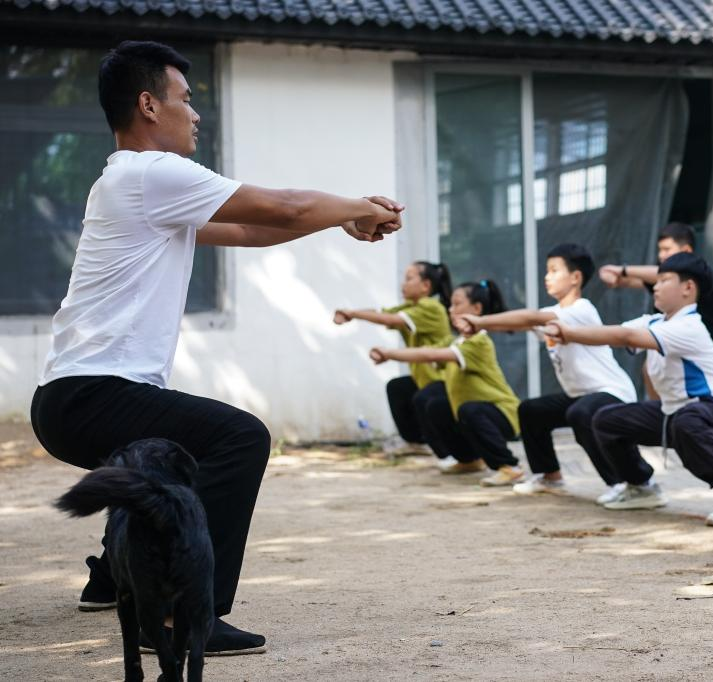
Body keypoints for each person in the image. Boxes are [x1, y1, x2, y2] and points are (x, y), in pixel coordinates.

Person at [29, 41, 403, 653]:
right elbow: (283, 206)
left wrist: (338, 219)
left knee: (159, 460)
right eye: (186, 100)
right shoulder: (152, 172)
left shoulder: (130, 183)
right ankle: (181, 617)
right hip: (91, 395)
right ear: (149, 105)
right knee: (238, 436)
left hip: (72, 398)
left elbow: (258, 228)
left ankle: (112, 580)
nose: (195, 114)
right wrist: (363, 206)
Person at [548, 252, 713, 527]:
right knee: (604, 419)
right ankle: (641, 487)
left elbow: (623, 336)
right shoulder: (654, 322)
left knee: (688, 421)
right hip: (672, 412)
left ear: (688, 288)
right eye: (656, 280)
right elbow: (609, 332)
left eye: (664, 280)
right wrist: (565, 329)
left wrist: (568, 333)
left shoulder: (689, 326)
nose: (656, 286)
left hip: (712, 411)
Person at [455, 243, 636, 500]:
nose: (546, 276)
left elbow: (532, 319)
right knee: (532, 410)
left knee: (580, 413)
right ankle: (550, 476)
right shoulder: (555, 314)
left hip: (610, 391)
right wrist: (484, 325)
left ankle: (622, 483)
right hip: (580, 395)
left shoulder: (582, 309)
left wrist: (481, 321)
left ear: (575, 277)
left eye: (554, 270)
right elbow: (526, 322)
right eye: (547, 270)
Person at [599, 222, 713, 454]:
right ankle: (665, 417)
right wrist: (617, 278)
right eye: (660, 251)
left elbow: (645, 274)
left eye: (667, 250)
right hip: (701, 345)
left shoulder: (699, 273)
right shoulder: (669, 284)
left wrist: (623, 269)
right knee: (649, 365)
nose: (661, 256)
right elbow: (642, 280)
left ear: (686, 251)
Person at [370, 280, 524, 486]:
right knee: (437, 407)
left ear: (477, 309)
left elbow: (429, 353)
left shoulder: (479, 342)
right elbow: (429, 351)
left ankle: (509, 467)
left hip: (503, 414)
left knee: (469, 410)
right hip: (477, 413)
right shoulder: (456, 342)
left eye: (458, 304)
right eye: (450, 305)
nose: (451, 310)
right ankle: (469, 460)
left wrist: (389, 354)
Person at [334, 261, 452, 455]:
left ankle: (445, 454)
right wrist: (352, 314)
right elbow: (382, 313)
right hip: (425, 379)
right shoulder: (410, 307)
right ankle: (416, 443)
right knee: (397, 387)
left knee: (421, 398)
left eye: (409, 278)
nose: (403, 284)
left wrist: (353, 313)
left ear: (426, 286)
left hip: (443, 381)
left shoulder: (431, 307)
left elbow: (390, 319)